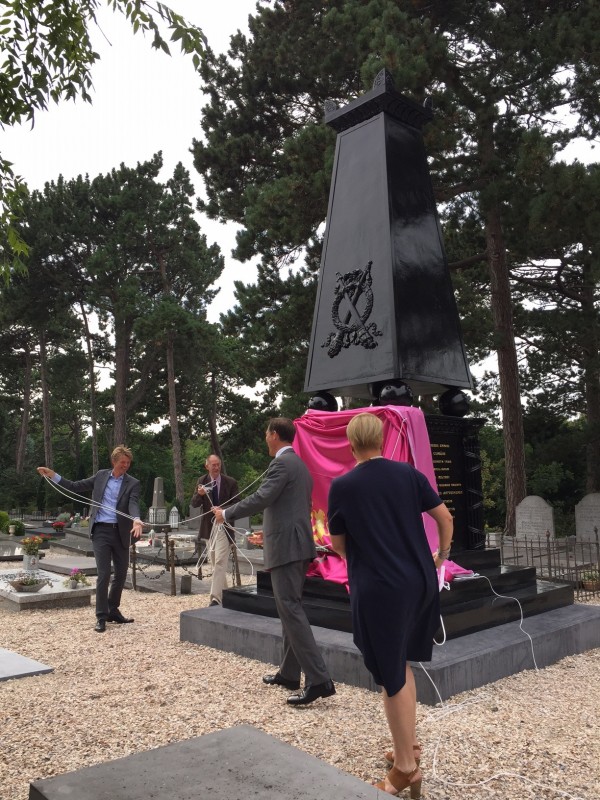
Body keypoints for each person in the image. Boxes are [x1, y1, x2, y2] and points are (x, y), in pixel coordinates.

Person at [327, 413, 453, 798]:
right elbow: (445, 518)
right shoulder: (408, 474)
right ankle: (407, 747)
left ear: (351, 444)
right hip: (419, 582)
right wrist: (441, 556)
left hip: (381, 588)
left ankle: (405, 770)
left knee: (390, 674)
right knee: (402, 663)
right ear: (381, 440)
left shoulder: (343, 486)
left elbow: (338, 544)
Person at [213, 417, 335, 706]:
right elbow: (288, 508)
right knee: (288, 608)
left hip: (288, 547)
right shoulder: (299, 464)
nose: (265, 438)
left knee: (290, 609)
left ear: (275, 435)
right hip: (294, 543)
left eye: (267, 434)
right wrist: (267, 533)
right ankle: (289, 673)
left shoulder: (281, 464)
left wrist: (227, 513)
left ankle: (319, 679)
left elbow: (262, 497)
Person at [37, 445, 143, 633]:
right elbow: (75, 486)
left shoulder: (133, 483)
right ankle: (101, 616)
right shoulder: (101, 476)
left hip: (121, 533)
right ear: (114, 461)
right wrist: (53, 475)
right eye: (122, 462)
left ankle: (113, 610)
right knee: (104, 574)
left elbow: (133, 503)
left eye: (128, 463)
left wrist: (136, 519)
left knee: (120, 574)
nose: (126, 466)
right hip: (101, 531)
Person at [191, 454, 239, 606]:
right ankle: (226, 595)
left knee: (219, 561)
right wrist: (199, 495)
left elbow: (237, 503)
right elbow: (194, 504)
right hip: (209, 527)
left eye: (218, 464)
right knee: (214, 562)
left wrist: (222, 510)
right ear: (207, 466)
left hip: (224, 526)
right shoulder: (202, 481)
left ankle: (215, 598)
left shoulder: (230, 482)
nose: (216, 467)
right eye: (213, 465)